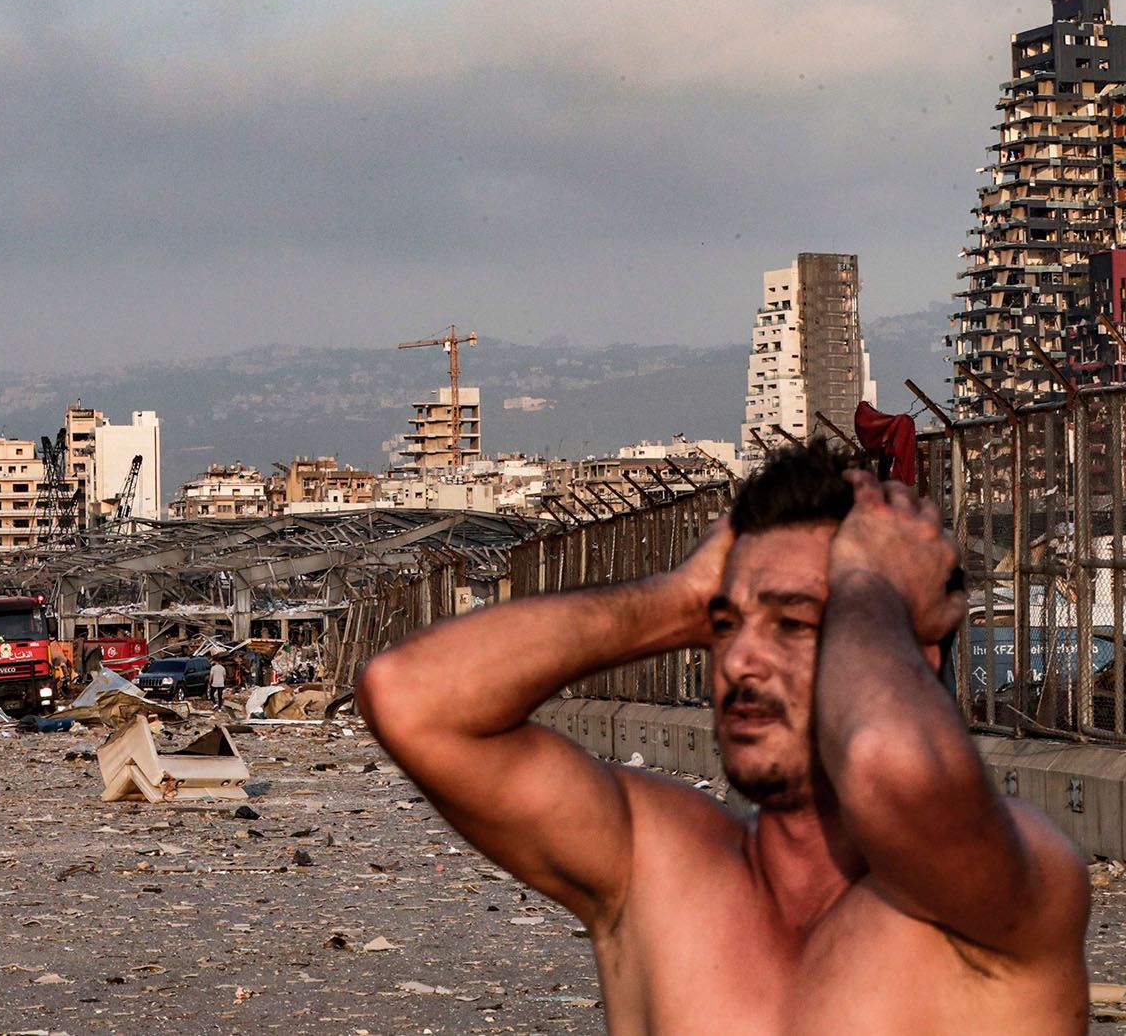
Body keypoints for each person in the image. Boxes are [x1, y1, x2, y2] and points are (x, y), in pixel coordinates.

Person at [357, 442, 1088, 1034]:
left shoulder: (998, 896)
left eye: (796, 623)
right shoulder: (657, 869)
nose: (736, 661)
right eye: (725, 626)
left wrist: (870, 582)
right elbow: (409, 696)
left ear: (906, 651)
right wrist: (680, 598)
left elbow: (887, 764)